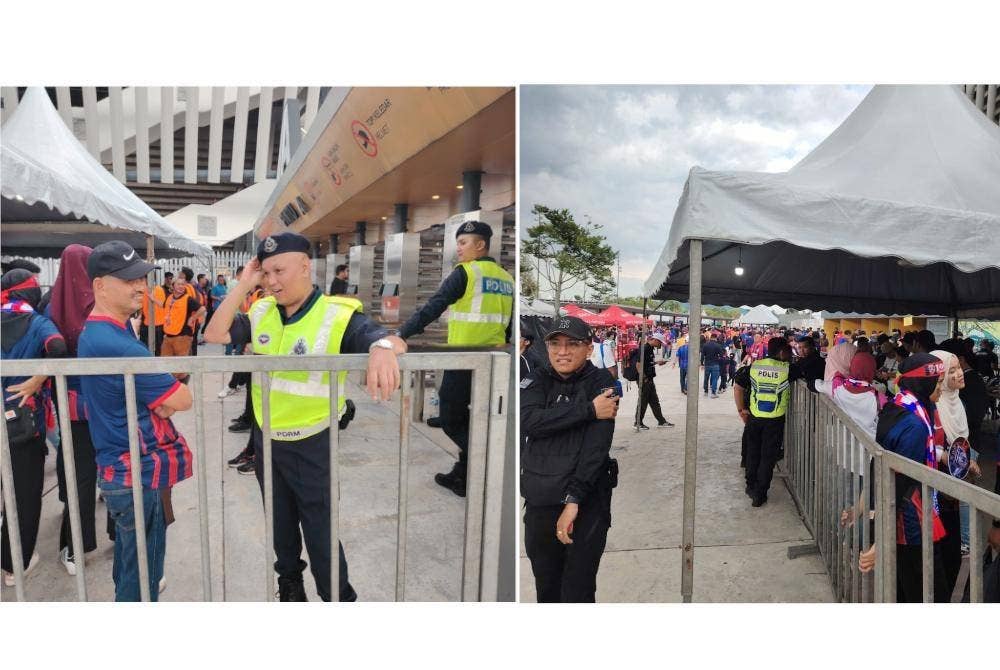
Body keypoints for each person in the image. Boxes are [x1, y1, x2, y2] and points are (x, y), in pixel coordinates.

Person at [205, 231, 406, 601]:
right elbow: (215, 333)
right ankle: (290, 590)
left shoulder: (337, 315)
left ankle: (338, 598)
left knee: (321, 533)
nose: (272, 281)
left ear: (304, 266)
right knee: (280, 528)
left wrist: (380, 347)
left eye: (279, 270)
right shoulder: (262, 311)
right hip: (268, 442)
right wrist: (244, 284)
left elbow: (391, 339)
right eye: (265, 274)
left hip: (313, 443)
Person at [77, 241, 195, 601]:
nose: (140, 286)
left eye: (141, 277)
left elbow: (166, 402)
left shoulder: (104, 329)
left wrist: (162, 402)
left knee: (131, 565)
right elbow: (182, 398)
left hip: (125, 467)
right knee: (142, 576)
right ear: (99, 285)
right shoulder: (117, 343)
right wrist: (166, 401)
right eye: (128, 280)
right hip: (134, 472)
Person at [397, 221, 513, 497]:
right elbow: (508, 325)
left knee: (450, 419)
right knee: (476, 418)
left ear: (480, 245)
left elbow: (433, 307)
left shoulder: (466, 273)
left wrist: (401, 334)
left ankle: (483, 464)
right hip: (495, 359)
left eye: (463, 243)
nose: (458, 249)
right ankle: (463, 476)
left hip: (464, 359)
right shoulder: (506, 278)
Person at [520, 316, 618, 602]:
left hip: (586, 500)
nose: (562, 352)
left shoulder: (602, 382)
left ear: (588, 349)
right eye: (555, 344)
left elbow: (595, 448)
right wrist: (587, 411)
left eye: (572, 344)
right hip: (540, 499)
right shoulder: (536, 379)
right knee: (546, 585)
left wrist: (573, 500)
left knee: (578, 588)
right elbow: (529, 421)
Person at [1, 269, 68, 587]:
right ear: (30, 294)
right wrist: (38, 378)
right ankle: (16, 564)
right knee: (25, 493)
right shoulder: (39, 323)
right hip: (23, 421)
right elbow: (57, 348)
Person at [865, 353, 949, 602]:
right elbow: (898, 482)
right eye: (938, 381)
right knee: (926, 591)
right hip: (911, 521)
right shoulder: (914, 424)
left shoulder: (903, 403)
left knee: (906, 586)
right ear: (923, 383)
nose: (941, 388)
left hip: (912, 512)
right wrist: (880, 537)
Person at [46, 244, 100, 575]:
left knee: (77, 473)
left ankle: (74, 546)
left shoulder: (49, 304)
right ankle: (97, 539)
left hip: (68, 405)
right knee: (112, 470)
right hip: (102, 404)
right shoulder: (99, 304)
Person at [733, 336, 801, 507]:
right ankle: (760, 494)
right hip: (774, 420)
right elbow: (804, 370)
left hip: (754, 417)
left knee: (753, 452)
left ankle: (750, 486)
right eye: (786, 350)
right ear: (781, 351)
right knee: (767, 457)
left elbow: (738, 387)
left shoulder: (755, 366)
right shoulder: (788, 369)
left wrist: (741, 410)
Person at [160, 278, 206, 382]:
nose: (181, 286)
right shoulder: (169, 298)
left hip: (183, 336)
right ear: (173, 286)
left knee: (180, 367)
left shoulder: (188, 299)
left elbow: (202, 309)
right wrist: (152, 299)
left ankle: (179, 388)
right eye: (179, 284)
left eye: (183, 284)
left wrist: (192, 318)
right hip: (168, 336)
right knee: (165, 363)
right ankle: (175, 386)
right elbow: (163, 306)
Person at [634, 332, 673, 430]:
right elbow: (638, 365)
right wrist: (644, 379)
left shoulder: (650, 348)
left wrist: (657, 362)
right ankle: (638, 423)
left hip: (649, 379)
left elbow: (647, 363)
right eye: (660, 343)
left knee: (654, 401)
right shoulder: (645, 348)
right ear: (655, 340)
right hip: (645, 380)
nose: (660, 345)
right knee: (643, 402)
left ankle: (661, 421)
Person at [701, 333, 725, 397]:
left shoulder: (705, 345)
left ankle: (706, 392)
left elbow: (702, 355)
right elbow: (722, 355)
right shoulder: (718, 345)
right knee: (715, 378)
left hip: (707, 364)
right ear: (716, 338)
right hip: (715, 364)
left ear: (710, 337)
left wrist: (702, 364)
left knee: (706, 378)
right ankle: (713, 393)